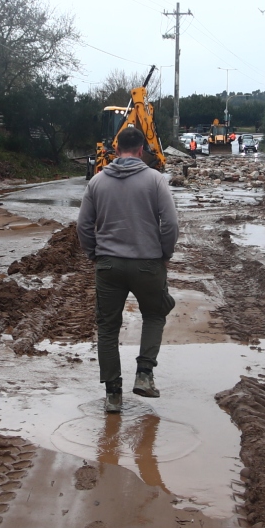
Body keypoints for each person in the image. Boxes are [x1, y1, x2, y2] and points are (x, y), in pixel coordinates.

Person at [77, 126, 179, 414]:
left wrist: (94, 254)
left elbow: (83, 226)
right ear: (141, 150)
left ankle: (112, 395)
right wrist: (165, 254)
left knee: (107, 329)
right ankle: (144, 374)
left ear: (115, 147)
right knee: (155, 313)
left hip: (108, 265)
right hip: (148, 263)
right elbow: (171, 224)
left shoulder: (97, 182)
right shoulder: (155, 180)